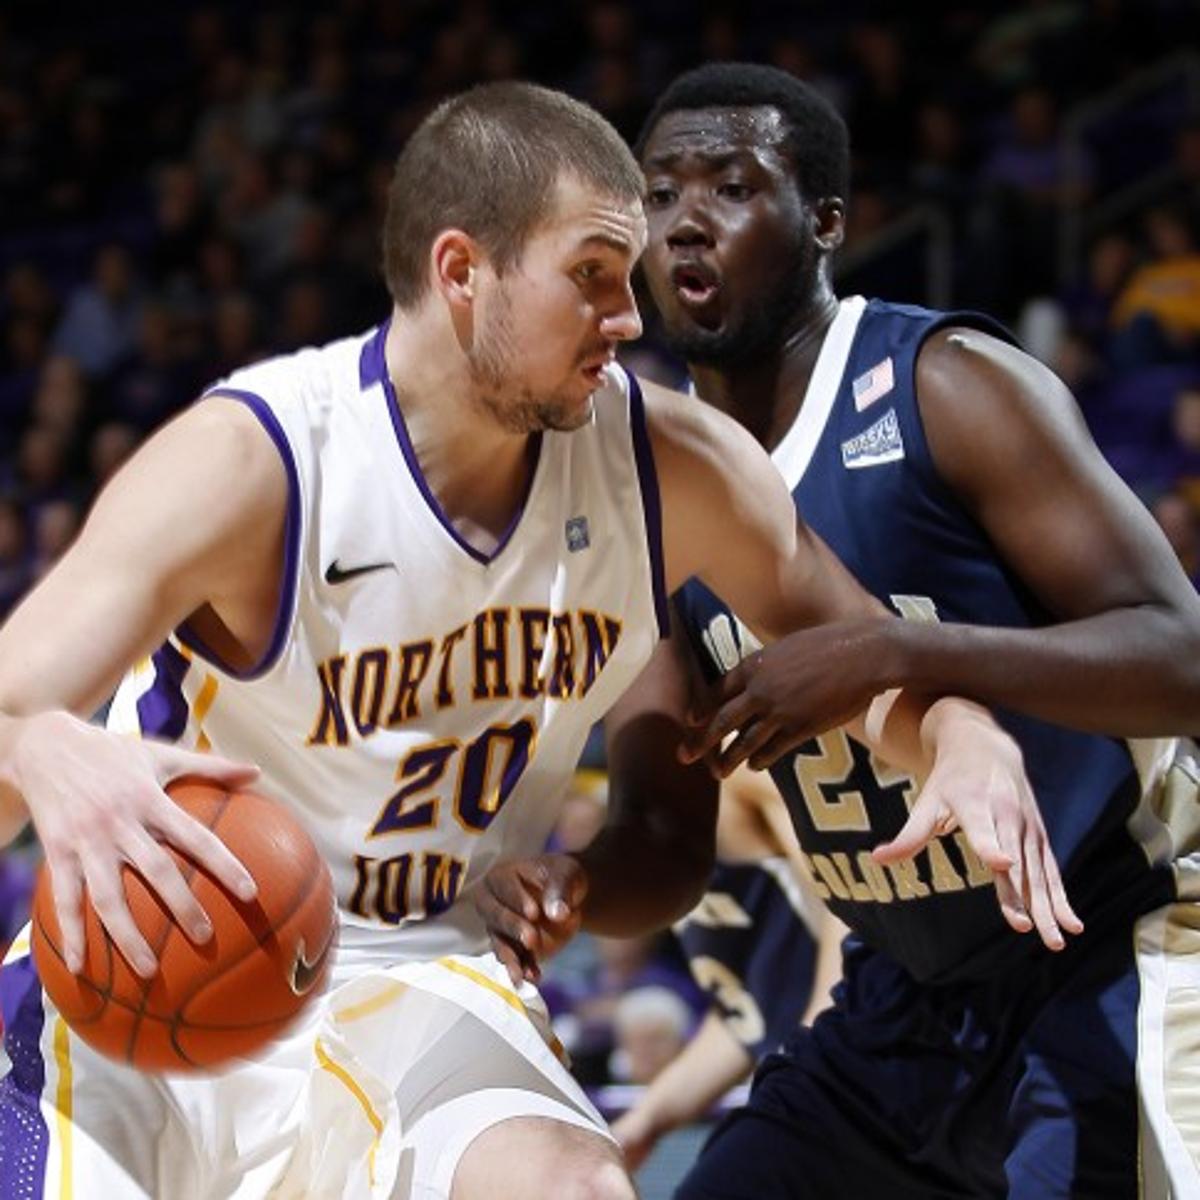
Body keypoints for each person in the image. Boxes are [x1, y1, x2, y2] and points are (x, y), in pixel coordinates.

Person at [0, 81, 1055, 1200]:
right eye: (592, 277)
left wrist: (959, 730)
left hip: (424, 970)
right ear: (463, 271)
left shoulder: (670, 465)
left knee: (576, 1189)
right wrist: (41, 749)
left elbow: (859, 657)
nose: (633, 317)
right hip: (154, 960)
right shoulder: (256, 460)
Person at [628, 62, 1200, 1197]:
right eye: (657, 194)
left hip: (1116, 943)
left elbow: (1184, 660)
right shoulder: (657, 490)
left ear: (825, 222)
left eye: (731, 187)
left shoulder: (947, 382)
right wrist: (524, 889)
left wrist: (901, 649)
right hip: (900, 994)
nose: (686, 220)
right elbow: (663, 841)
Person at [611, 765, 843, 1171]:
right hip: (814, 1074)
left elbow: (851, 906)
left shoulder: (746, 774)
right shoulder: (643, 807)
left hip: (869, 1061)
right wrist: (644, 1121)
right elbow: (747, 1014)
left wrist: (812, 1059)